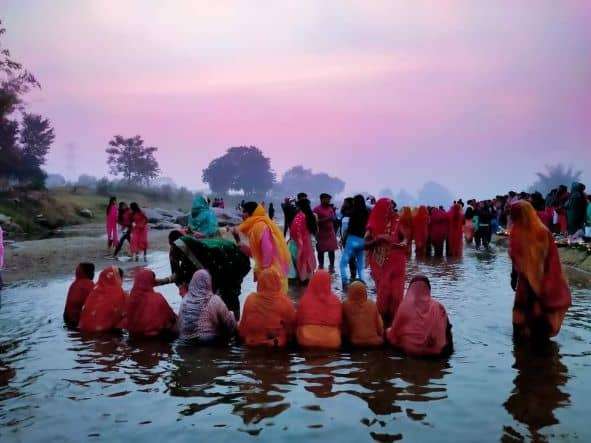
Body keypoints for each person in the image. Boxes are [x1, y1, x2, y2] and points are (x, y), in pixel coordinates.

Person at [509, 200, 572, 340]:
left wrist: (515, 277)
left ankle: (529, 358)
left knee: (530, 329)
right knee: (531, 329)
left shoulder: (538, 233)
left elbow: (540, 263)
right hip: (532, 285)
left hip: (538, 287)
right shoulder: (532, 231)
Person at [162, 231, 251, 320]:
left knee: (228, 294)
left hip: (229, 262)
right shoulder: (185, 255)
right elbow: (178, 275)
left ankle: (233, 321)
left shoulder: (210, 254)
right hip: (220, 263)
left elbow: (219, 279)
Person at [387, 275, 454, 357]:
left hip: (410, 351)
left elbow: (394, 334)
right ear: (428, 289)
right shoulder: (437, 306)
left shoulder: (404, 306)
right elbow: (448, 331)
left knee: (388, 331)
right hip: (436, 353)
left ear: (410, 289)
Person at [365, 198, 407, 326]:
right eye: (388, 207)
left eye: (392, 207)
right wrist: (378, 241)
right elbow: (365, 244)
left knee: (396, 293)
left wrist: (399, 244)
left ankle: (395, 322)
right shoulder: (372, 225)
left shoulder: (398, 221)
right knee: (383, 292)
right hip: (380, 263)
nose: (391, 209)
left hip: (397, 262)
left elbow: (405, 239)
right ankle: (381, 321)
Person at [237, 202, 291, 290]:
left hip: (271, 272)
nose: (242, 215)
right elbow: (259, 252)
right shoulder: (255, 226)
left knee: (270, 298)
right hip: (268, 270)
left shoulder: (260, 226)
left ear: (250, 212)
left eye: (244, 212)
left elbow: (268, 250)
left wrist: (265, 271)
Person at [238, 267, 296, 347]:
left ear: (259, 283)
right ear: (278, 282)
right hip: (275, 345)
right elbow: (292, 331)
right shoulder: (284, 302)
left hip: (253, 344)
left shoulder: (250, 299)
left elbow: (242, 330)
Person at [177, 269, 236, 343]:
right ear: (208, 283)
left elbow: (179, 325)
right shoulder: (214, 300)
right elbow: (230, 325)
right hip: (208, 342)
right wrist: (232, 315)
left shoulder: (184, 301)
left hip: (185, 342)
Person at [296, 270, 342, 349]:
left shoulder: (305, 300)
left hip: (307, 340)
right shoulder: (335, 300)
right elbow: (339, 321)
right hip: (332, 341)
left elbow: (298, 320)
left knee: (298, 328)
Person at [125, 268, 178, 338]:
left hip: (135, 336)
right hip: (156, 338)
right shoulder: (157, 298)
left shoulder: (130, 298)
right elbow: (171, 317)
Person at [78, 266, 127, 333]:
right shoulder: (120, 293)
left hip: (83, 328)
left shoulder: (94, 290)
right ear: (118, 278)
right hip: (104, 333)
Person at [339, 195, 369, 289]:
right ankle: (362, 284)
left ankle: (345, 284)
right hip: (361, 240)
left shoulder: (352, 212)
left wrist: (343, 239)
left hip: (352, 239)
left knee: (343, 264)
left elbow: (343, 213)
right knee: (360, 264)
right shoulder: (367, 212)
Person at [342, 281, 384, 348]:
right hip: (376, 342)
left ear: (350, 293)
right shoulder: (372, 304)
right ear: (365, 293)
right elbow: (380, 328)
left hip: (356, 343)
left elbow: (344, 329)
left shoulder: (345, 305)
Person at [289, 198, 318, 282]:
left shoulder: (300, 216)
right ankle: (306, 280)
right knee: (307, 262)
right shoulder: (311, 215)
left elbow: (295, 231)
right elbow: (315, 231)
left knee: (298, 262)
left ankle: (300, 282)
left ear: (299, 206)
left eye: (297, 206)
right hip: (308, 242)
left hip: (298, 243)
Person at [63, 263, 95, 328]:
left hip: (67, 318)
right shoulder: (89, 284)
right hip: (77, 320)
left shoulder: (74, 284)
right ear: (89, 273)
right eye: (93, 272)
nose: (94, 274)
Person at [313, 193, 338, 273]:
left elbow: (333, 218)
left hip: (330, 233)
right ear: (322, 199)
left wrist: (334, 218)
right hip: (321, 234)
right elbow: (314, 222)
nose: (329, 201)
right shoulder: (316, 209)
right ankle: (321, 266)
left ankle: (331, 266)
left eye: (329, 199)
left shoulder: (330, 208)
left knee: (332, 251)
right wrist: (327, 219)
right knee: (320, 251)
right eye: (327, 199)